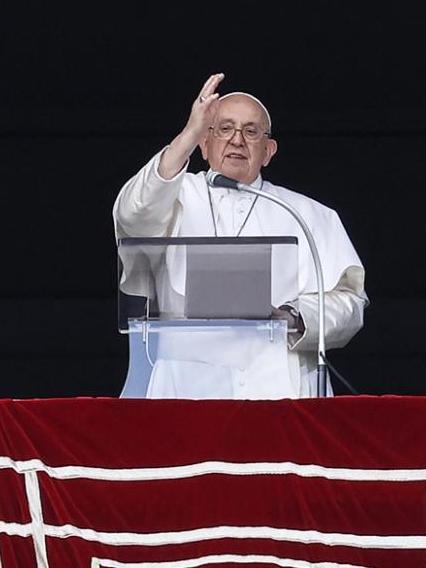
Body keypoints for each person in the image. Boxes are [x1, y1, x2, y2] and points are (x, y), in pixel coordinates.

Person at [113, 73, 368, 398]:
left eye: (251, 132)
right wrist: (188, 133)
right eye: (224, 129)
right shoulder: (174, 194)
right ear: (204, 144)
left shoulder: (307, 214)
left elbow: (349, 302)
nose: (237, 140)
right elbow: (133, 215)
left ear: (268, 151)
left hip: (279, 388)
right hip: (188, 386)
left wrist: (294, 316)